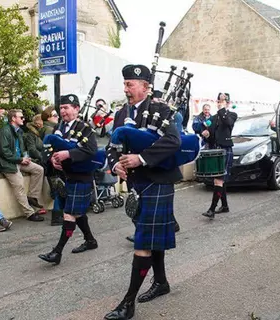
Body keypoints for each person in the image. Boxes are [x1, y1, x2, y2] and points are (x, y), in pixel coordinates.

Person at [103, 64, 181, 320]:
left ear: (145, 87)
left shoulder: (161, 110)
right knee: (150, 236)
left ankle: (128, 304)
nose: (126, 89)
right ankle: (161, 282)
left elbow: (173, 141)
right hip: (136, 186)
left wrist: (142, 158)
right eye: (124, 84)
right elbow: (112, 145)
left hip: (157, 182)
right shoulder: (120, 114)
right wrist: (115, 165)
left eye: (131, 84)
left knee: (143, 241)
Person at [38, 94, 99, 265]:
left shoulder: (85, 128)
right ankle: (90, 240)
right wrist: (52, 159)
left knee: (69, 214)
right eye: (61, 108)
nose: (63, 111)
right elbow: (48, 147)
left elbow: (91, 150)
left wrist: (68, 154)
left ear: (77, 109)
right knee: (76, 212)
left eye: (67, 107)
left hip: (81, 176)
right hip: (65, 177)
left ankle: (57, 252)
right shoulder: (59, 127)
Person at [0, 109, 45, 222]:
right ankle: (29, 213)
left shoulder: (19, 131)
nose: (23, 119)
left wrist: (25, 157)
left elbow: (21, 148)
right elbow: (4, 152)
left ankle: (32, 197)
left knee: (39, 170)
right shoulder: (5, 132)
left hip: (19, 160)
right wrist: (20, 159)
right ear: (13, 118)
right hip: (7, 164)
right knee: (19, 185)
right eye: (21, 117)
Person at [202, 93, 238, 219]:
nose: (219, 102)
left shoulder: (232, 115)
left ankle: (211, 209)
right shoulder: (214, 117)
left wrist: (222, 109)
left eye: (222, 101)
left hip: (225, 149)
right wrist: (206, 134)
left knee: (219, 179)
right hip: (215, 150)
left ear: (228, 102)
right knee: (219, 180)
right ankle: (225, 206)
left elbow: (227, 123)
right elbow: (211, 134)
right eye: (219, 100)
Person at [40, 106, 64, 226]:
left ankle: (59, 215)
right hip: (52, 164)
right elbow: (49, 147)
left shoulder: (48, 128)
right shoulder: (49, 129)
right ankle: (57, 216)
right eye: (55, 115)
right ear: (48, 117)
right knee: (59, 189)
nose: (58, 117)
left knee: (58, 189)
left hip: (50, 163)